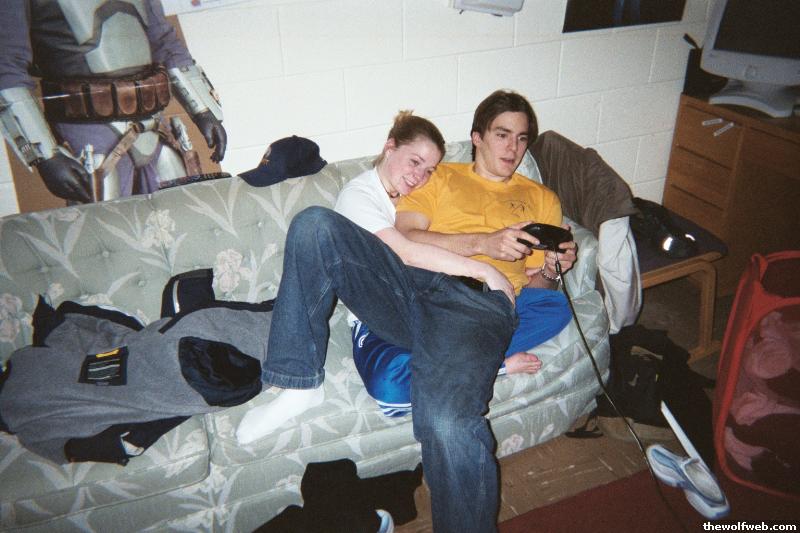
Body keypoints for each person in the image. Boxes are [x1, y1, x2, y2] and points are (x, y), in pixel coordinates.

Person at [237, 111, 522, 532]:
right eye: (414, 162)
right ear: (390, 147)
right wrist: (483, 267)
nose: (420, 176)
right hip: (408, 301)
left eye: (429, 169)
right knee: (314, 224)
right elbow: (402, 252)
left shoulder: (437, 191)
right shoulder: (362, 195)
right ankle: (300, 382)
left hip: (465, 306)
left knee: (446, 423)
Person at [351, 90, 577, 417]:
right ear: (477, 137)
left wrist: (552, 270)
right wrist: (483, 243)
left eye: (521, 138)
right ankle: (485, 361)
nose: (513, 148)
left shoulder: (543, 199)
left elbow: (535, 286)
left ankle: (450, 359)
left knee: (555, 307)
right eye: (502, 135)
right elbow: (406, 237)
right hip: (439, 296)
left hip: (497, 307)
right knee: (390, 385)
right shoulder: (437, 177)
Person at [0, 0, 226, 203]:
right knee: (107, 225)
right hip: (90, 136)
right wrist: (44, 154)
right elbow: (7, 69)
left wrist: (203, 109)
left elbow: (163, 41)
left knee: (179, 215)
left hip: (155, 127)